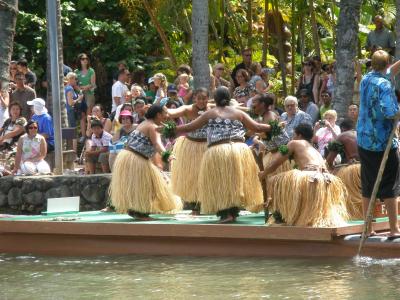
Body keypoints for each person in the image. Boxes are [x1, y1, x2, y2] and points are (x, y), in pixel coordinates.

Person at [174, 86, 271, 223]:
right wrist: (275, 126)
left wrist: (171, 130)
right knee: (235, 182)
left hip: (219, 151)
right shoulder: (239, 113)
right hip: (240, 150)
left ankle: (226, 213)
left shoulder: (210, 113)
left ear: (216, 99)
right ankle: (233, 211)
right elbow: (258, 127)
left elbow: (189, 127)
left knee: (221, 182)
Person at [260, 123, 348, 227]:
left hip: (309, 177)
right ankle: (304, 216)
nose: (292, 137)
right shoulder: (314, 149)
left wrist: (263, 173)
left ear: (299, 135)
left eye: (294, 134)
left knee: (275, 181)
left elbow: (275, 163)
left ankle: (282, 216)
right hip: (326, 180)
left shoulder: (294, 143)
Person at [110, 104, 182, 221]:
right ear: (158, 115)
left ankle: (136, 210)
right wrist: (167, 154)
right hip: (135, 158)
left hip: (131, 157)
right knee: (147, 185)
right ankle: (140, 212)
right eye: (165, 113)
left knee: (145, 185)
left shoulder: (145, 123)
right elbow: (157, 144)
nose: (167, 116)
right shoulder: (152, 126)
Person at [357, 50, 400, 238]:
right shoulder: (384, 85)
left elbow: (390, 71)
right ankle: (394, 229)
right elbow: (389, 112)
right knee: (390, 185)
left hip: (364, 140)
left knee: (368, 183)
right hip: (382, 142)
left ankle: (368, 228)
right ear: (387, 63)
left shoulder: (366, 78)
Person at [167, 88, 210, 214]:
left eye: (204, 98)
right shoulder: (187, 109)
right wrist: (161, 109)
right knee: (193, 178)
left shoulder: (211, 108)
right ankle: (195, 206)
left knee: (207, 176)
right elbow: (172, 112)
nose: (202, 101)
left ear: (208, 98)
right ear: (194, 98)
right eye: (199, 98)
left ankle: (208, 203)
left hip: (207, 147)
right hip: (191, 147)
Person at [326, 119, 362, 220]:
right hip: (367, 168)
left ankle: (351, 213)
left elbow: (329, 160)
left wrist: (331, 168)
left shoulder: (342, 136)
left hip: (353, 169)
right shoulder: (362, 133)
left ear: (342, 129)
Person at [64, 72, 84, 153]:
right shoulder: (70, 89)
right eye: (75, 79)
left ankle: (69, 151)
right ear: (71, 79)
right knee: (73, 133)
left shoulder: (65, 87)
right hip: (70, 112)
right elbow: (70, 103)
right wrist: (79, 99)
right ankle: (74, 153)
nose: (76, 81)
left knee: (68, 132)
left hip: (67, 112)